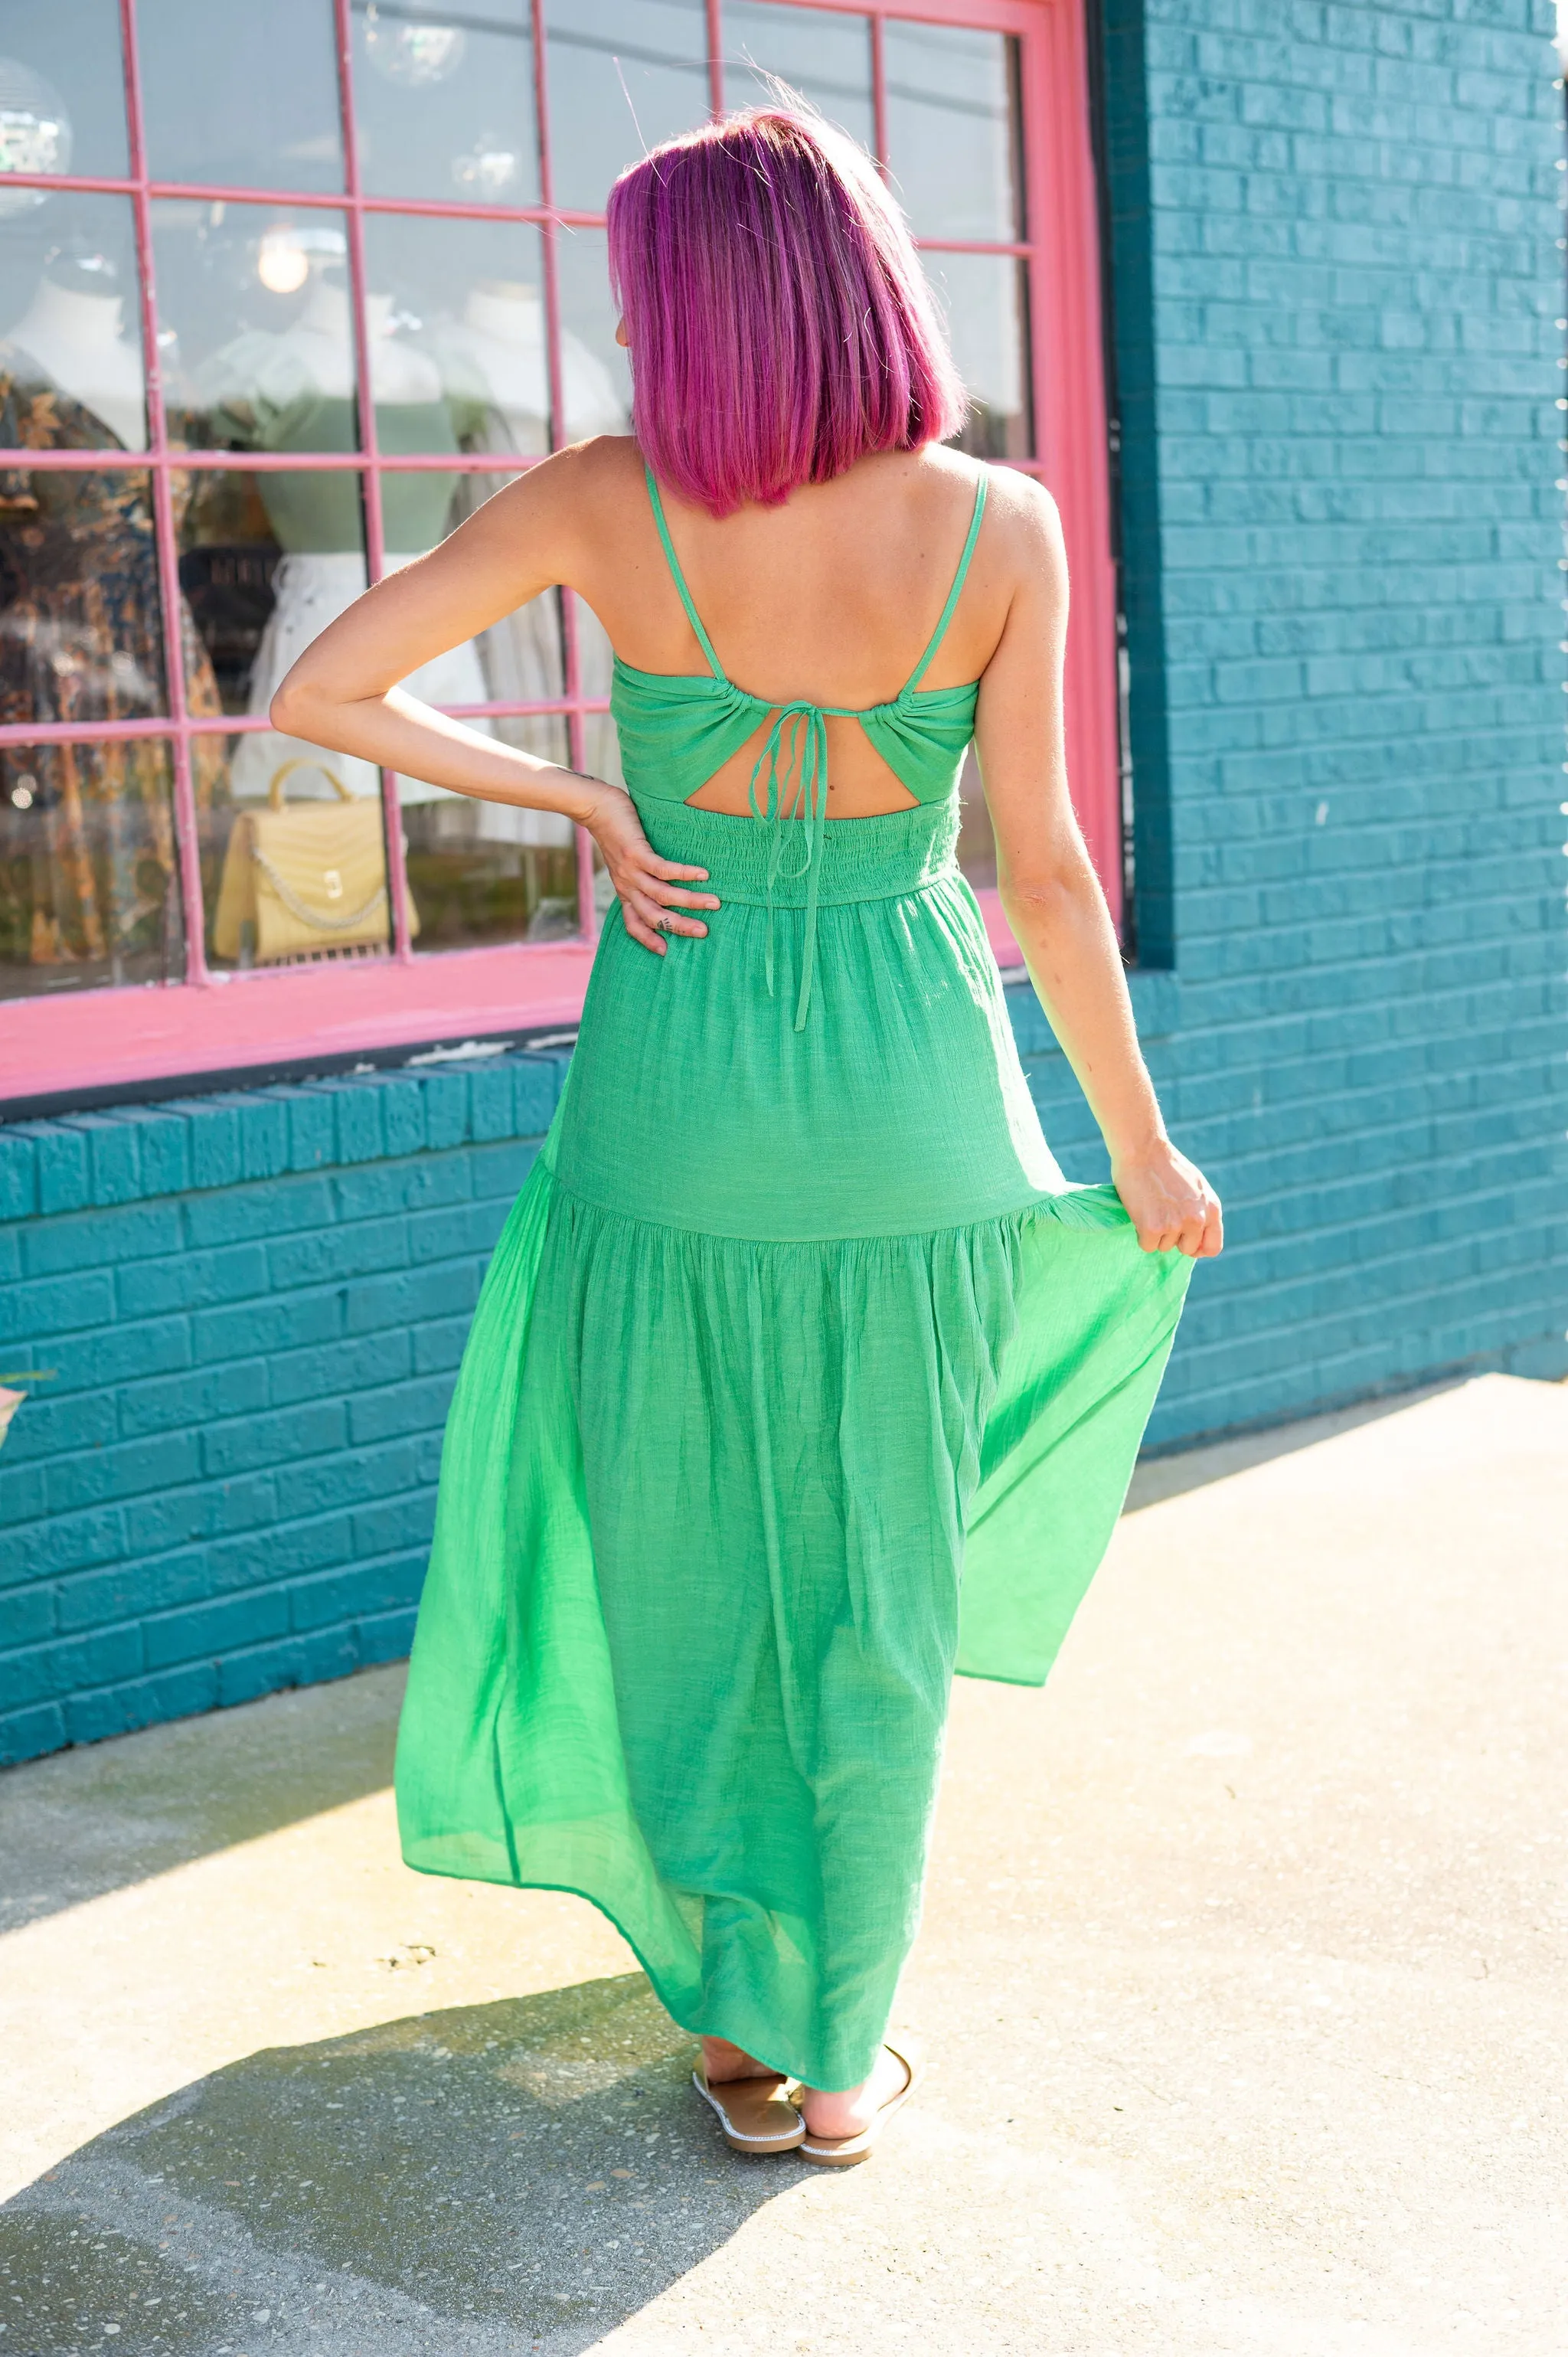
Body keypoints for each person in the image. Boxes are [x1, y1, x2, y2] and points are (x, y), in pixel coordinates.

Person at [271, 105, 1222, 2172]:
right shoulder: (1002, 527)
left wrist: (592, 809)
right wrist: (1141, 1153)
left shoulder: (611, 505)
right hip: (916, 1127)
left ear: (694, 312)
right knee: (874, 1602)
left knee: (687, 1576)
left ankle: (727, 2024)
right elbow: (1045, 878)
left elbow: (327, 690)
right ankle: (836, 2056)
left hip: (673, 1117)